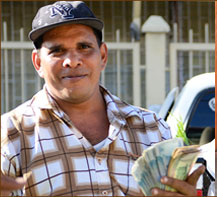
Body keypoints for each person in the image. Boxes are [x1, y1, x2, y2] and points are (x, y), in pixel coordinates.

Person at [0, 1, 204, 196]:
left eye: (84, 47)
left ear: (103, 56)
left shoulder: (151, 130)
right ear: (37, 63)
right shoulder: (12, 134)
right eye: (57, 51)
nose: (72, 61)